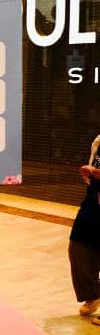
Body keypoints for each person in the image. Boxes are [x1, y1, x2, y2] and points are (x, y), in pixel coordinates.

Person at [71, 134, 100, 325]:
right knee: (77, 248)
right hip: (92, 203)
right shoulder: (98, 141)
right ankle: (92, 295)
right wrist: (88, 173)